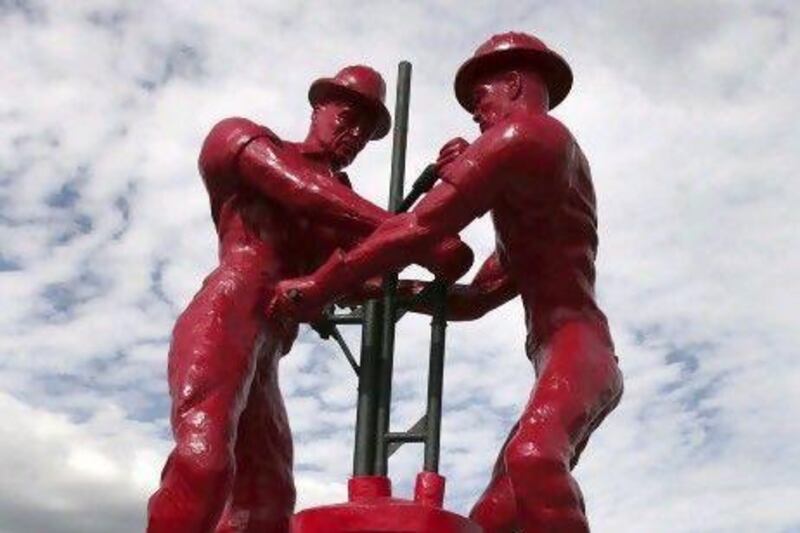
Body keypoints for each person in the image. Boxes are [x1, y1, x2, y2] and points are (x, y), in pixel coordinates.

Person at [267, 33, 624, 533]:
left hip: (580, 348)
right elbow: (476, 298)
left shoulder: (533, 135)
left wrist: (322, 283)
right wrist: (388, 292)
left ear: (514, 83)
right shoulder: (532, 215)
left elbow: (420, 228)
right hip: (559, 354)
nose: (477, 117)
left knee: (533, 457)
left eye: (480, 101)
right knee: (492, 517)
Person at [147, 65, 472, 533]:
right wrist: (424, 236)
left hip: (267, 352)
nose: (355, 134)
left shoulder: (342, 202)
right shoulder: (242, 138)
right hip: (226, 313)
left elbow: (362, 276)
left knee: (269, 500)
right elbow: (303, 192)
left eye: (366, 128)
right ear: (319, 106)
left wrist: (446, 208)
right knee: (204, 462)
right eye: (347, 116)